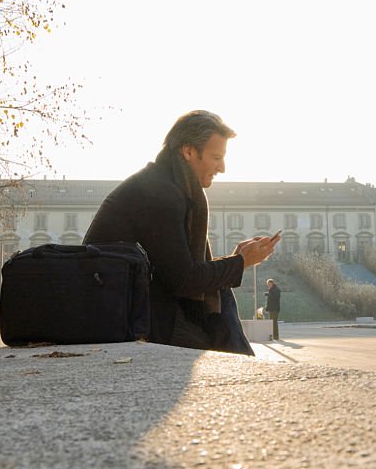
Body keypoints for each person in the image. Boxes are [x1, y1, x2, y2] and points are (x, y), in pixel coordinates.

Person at [83, 111, 278, 355]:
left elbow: (178, 270)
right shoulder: (159, 194)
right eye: (216, 157)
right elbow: (183, 280)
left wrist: (236, 260)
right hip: (121, 316)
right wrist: (239, 262)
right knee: (220, 301)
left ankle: (244, 367)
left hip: (134, 303)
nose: (223, 168)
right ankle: (246, 370)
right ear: (188, 152)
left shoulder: (164, 184)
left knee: (221, 293)